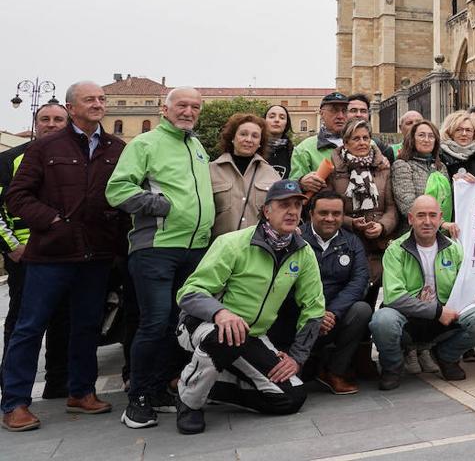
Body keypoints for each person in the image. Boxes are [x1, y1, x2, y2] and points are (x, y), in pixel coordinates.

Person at [1, 83, 124, 433]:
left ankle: (81, 391)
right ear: (72, 107)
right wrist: (52, 222)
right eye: (90, 100)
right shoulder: (45, 147)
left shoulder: (117, 148)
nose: (98, 104)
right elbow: (17, 196)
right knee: (30, 327)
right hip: (51, 254)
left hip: (97, 253)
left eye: (102, 99)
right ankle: (14, 403)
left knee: (86, 325)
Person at [173, 179, 324, 434]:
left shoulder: (303, 252)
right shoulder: (232, 243)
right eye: (284, 205)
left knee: (292, 396)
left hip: (251, 335)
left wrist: (297, 358)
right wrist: (220, 313)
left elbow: (314, 308)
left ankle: (216, 387)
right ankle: (189, 401)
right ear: (267, 211)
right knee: (223, 337)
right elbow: (189, 293)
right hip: (202, 326)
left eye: (297, 205)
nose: (292, 211)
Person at [106, 86, 214, 429]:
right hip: (156, 247)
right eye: (181, 105)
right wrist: (161, 206)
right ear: (163, 109)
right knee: (153, 323)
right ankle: (137, 399)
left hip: (193, 248)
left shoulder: (197, 146)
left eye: (195, 106)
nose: (188, 111)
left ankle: (157, 390)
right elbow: (117, 189)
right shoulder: (145, 143)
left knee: (175, 324)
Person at [369, 195, 475, 388]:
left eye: (432, 215)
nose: (427, 221)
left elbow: (467, 287)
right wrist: (437, 311)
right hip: (408, 319)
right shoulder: (395, 250)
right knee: (382, 321)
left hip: (445, 319)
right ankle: (392, 367)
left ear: (440, 218)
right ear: (411, 219)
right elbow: (394, 297)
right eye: (421, 216)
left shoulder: (455, 249)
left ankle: (446, 356)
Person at [269, 189, 371, 395]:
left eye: (336, 214)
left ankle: (334, 372)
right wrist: (314, 313)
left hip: (333, 318)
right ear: (311, 214)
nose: (330, 219)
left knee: (362, 310)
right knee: (282, 386)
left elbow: (359, 281)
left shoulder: (352, 242)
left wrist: (332, 312)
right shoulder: (293, 240)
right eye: (323, 213)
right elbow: (281, 285)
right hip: (296, 317)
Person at [1, 101, 70, 399]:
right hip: (26, 255)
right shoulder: (9, 160)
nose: (52, 124)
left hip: (68, 253)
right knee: (23, 323)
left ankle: (58, 384)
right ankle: (14, 391)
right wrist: (12, 247)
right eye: (46, 119)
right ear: (35, 122)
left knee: (63, 320)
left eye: (58, 119)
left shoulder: (74, 157)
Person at [319, 119, 398, 286]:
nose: (362, 142)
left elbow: (391, 208)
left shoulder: (383, 168)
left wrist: (382, 226)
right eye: (356, 138)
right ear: (346, 143)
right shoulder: (333, 169)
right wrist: (352, 223)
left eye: (366, 138)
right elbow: (326, 210)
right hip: (345, 244)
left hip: (377, 246)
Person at [210, 113, 280, 238]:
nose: (248, 139)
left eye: (255, 136)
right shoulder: (211, 171)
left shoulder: (272, 175)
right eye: (243, 134)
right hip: (220, 249)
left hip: (258, 248)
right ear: (232, 138)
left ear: (260, 142)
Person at [291, 92, 350, 191]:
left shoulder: (366, 144)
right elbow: (292, 186)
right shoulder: (304, 149)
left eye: (344, 111)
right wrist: (301, 183)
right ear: (321, 114)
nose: (340, 116)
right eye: (334, 110)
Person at [391, 119, 444, 220]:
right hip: (414, 230)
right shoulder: (402, 166)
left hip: (444, 229)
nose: (426, 140)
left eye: (431, 136)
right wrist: (441, 222)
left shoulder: (441, 167)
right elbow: (407, 205)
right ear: (412, 139)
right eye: (421, 135)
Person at [440, 110, 475, 185]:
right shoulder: (439, 156)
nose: (464, 134)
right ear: (450, 132)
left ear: (474, 133)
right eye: (458, 130)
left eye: (468, 130)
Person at [347, 94, 392, 165]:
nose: (358, 114)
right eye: (353, 110)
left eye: (363, 111)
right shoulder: (335, 146)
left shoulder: (383, 149)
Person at [263, 104, 294, 180]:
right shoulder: (254, 149)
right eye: (272, 117)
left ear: (286, 124)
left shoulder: (294, 153)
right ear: (263, 121)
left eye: (282, 117)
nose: (277, 120)